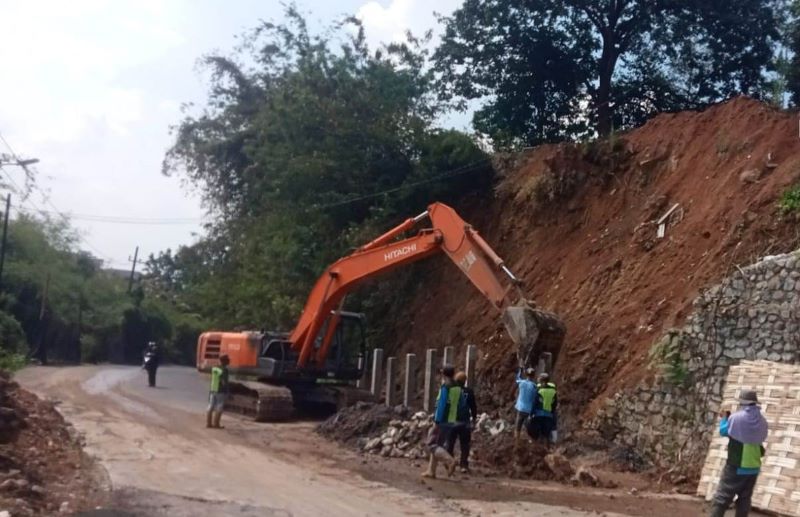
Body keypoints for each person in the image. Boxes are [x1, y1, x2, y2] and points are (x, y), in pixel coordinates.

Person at [709, 389, 768, 517]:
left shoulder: (736, 418)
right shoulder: (762, 421)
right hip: (754, 466)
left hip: (737, 465)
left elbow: (724, 431)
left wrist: (724, 419)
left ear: (742, 402)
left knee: (722, 497)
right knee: (744, 499)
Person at [421, 364, 459, 479]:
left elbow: (441, 405)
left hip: (442, 419)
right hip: (451, 419)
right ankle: (431, 470)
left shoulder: (445, 387)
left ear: (443, 374)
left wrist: (437, 419)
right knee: (438, 444)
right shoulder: (457, 387)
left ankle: (450, 461)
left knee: (431, 444)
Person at [447, 371, 478, 473]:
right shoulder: (469, 392)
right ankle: (463, 465)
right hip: (465, 422)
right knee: (465, 445)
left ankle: (450, 463)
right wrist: (474, 419)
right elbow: (473, 407)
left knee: (450, 443)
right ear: (465, 381)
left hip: (452, 421)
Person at [529, 373, 558, 445]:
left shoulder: (539, 390)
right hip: (549, 415)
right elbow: (555, 403)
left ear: (542, 381)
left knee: (537, 433)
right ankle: (547, 448)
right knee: (546, 434)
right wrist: (552, 412)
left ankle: (537, 447)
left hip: (538, 415)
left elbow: (535, 403)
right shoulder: (553, 391)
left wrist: (531, 414)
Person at [514, 367, 538, 443]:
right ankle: (531, 440)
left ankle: (516, 441)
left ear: (526, 375)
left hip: (520, 408)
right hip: (528, 410)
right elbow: (535, 399)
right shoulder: (534, 387)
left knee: (518, 425)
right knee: (529, 426)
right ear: (533, 376)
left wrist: (520, 371)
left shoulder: (522, 382)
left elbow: (517, 378)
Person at [207, 354, 230, 429]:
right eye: (228, 360)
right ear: (225, 361)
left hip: (213, 388)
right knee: (219, 406)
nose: (229, 361)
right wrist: (227, 391)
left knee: (210, 406)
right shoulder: (224, 370)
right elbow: (223, 381)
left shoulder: (214, 368)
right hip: (220, 390)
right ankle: (216, 424)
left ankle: (209, 423)